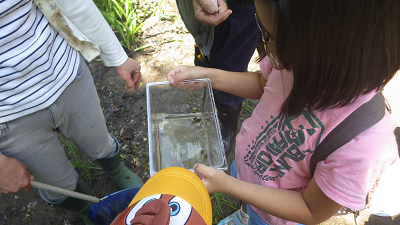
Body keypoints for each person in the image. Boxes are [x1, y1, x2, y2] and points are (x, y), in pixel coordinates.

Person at [167, 0, 400, 224]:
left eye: (269, 35)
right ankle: (244, 215)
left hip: (276, 217)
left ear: (324, 47)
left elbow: (310, 210)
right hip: (249, 170)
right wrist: (210, 76)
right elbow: (263, 83)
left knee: (258, 219)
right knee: (249, 208)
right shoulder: (296, 63)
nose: (264, 45)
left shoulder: (364, 145)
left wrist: (228, 185)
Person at [0, 0, 143, 224]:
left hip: (67, 75)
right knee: (58, 186)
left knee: (100, 143)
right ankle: (87, 208)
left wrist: (117, 56)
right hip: (8, 118)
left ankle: (116, 170)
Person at [176, 0, 260, 154]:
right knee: (215, 57)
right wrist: (207, 75)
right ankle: (225, 112)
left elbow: (267, 84)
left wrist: (208, 76)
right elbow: (264, 84)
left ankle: (228, 114)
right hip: (225, 8)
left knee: (233, 58)